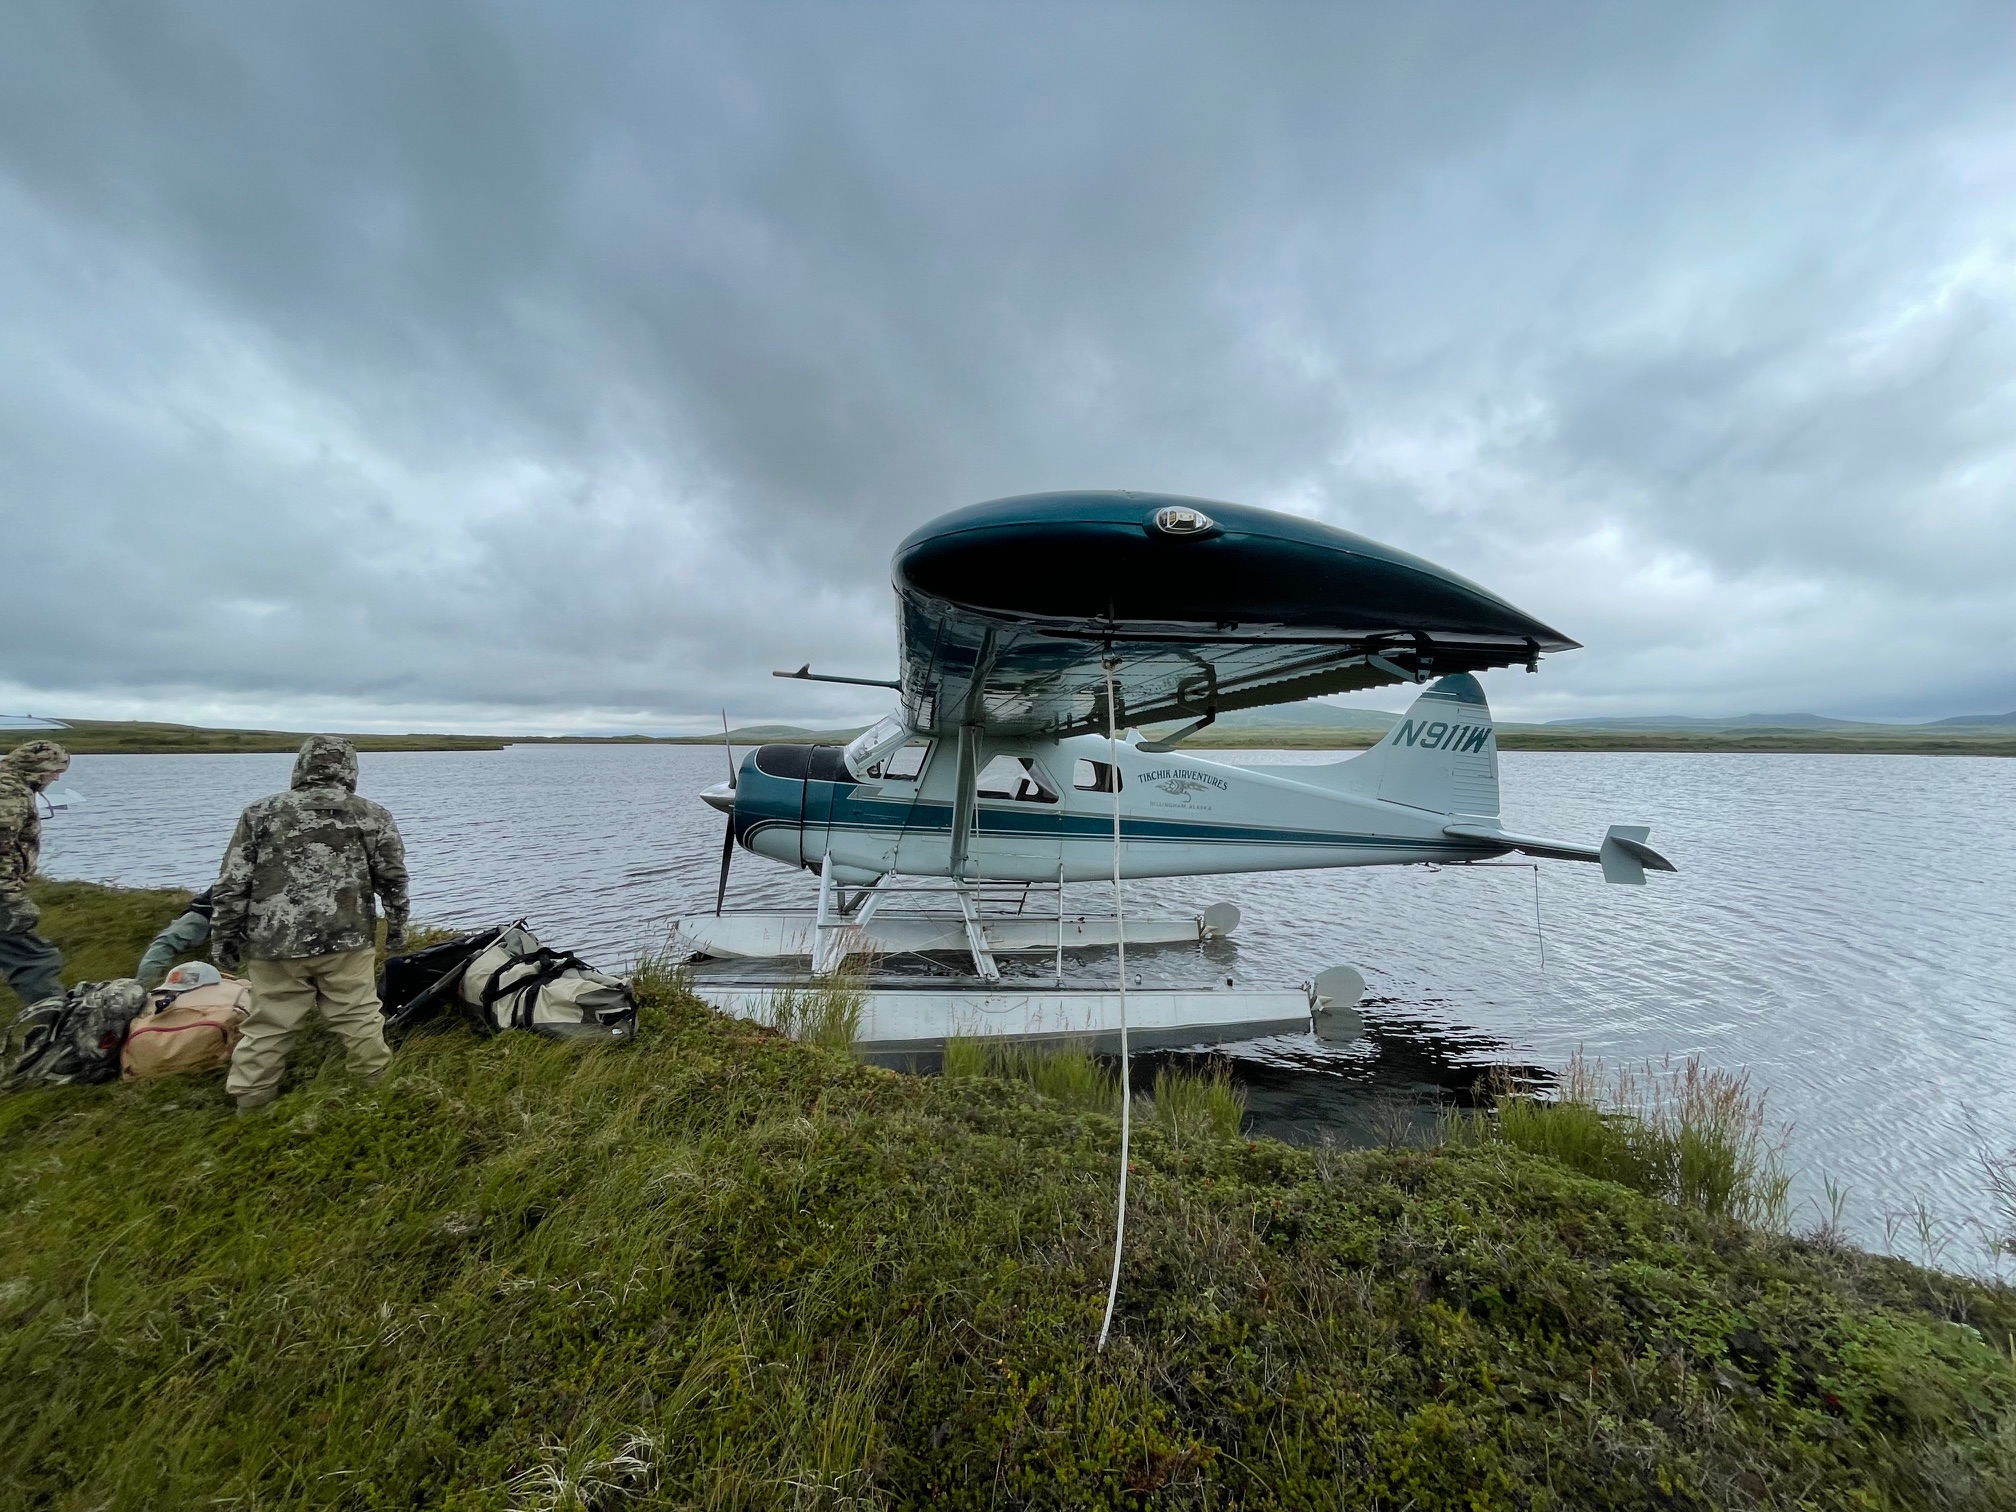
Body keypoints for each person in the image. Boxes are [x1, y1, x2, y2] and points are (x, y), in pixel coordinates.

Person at [211, 735, 409, 1112]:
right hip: (348, 940)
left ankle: (252, 1105)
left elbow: (232, 884)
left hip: (274, 941)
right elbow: (393, 879)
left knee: (269, 1024)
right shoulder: (372, 814)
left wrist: (224, 939)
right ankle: (376, 1095)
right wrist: (397, 930)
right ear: (349, 769)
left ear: (301, 766)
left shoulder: (260, 813)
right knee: (359, 1017)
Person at [0, 739, 72, 1010]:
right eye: (55, 771)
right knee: (34, 959)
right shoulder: (9, 794)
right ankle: (57, 1023)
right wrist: (11, 898)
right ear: (38, 768)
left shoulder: (11, 784)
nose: (56, 778)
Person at [136, 887, 216, 989]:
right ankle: (143, 986)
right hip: (205, 913)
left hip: (224, 916)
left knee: (165, 943)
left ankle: (143, 987)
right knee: (166, 944)